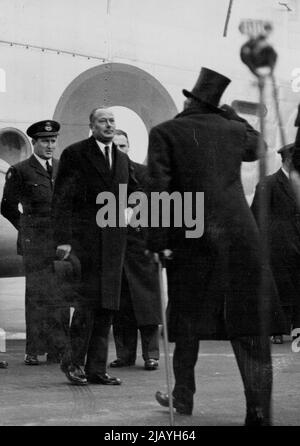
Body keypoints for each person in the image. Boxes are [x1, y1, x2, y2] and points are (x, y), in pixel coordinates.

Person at [146, 67, 286, 425]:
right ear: (217, 104)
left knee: (186, 321)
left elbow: (157, 189)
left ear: (189, 100)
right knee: (249, 328)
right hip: (241, 239)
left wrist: (158, 242)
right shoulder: (234, 129)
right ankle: (257, 411)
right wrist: (233, 115)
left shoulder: (166, 132)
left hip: (191, 240)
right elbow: (260, 148)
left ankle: (183, 398)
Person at [51, 107, 140, 385]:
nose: (109, 125)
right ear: (92, 125)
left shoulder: (123, 160)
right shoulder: (75, 154)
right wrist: (63, 240)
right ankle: (73, 363)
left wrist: (136, 215)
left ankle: (96, 369)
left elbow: (135, 193)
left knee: (107, 308)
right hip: (85, 243)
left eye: (112, 121)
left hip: (114, 244)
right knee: (87, 306)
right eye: (103, 121)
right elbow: (62, 199)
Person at [1, 120, 70, 366]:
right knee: (37, 295)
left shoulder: (63, 168)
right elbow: (7, 207)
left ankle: (59, 349)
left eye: (53, 141)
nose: (50, 145)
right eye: (45, 141)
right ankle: (34, 350)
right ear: (34, 143)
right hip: (35, 242)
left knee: (61, 295)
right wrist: (26, 228)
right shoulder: (20, 170)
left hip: (59, 242)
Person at [109, 130, 161, 371]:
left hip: (141, 251)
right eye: (115, 146)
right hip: (116, 253)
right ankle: (125, 355)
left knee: (147, 305)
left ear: (129, 147)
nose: (119, 149)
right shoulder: (104, 177)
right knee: (120, 307)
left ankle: (151, 355)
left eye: (123, 145)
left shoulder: (144, 175)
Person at [251, 143, 300, 344]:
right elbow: (257, 217)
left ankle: (297, 329)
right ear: (289, 160)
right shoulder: (269, 183)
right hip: (277, 249)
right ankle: (275, 330)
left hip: (297, 246)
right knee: (277, 290)